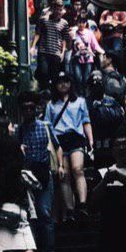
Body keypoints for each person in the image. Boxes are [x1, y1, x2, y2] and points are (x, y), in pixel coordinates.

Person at [18, 91, 60, 252]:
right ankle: (33, 251)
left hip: (43, 173)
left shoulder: (46, 126)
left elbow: (56, 146)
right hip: (27, 176)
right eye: (25, 108)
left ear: (36, 109)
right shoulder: (19, 131)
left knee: (44, 211)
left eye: (31, 108)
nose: (28, 111)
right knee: (30, 214)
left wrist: (60, 165)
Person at [45, 72, 94, 219]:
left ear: (70, 83)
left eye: (66, 81)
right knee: (64, 175)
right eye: (60, 82)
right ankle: (70, 209)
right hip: (59, 140)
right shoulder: (51, 105)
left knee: (78, 169)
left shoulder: (79, 101)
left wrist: (90, 140)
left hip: (76, 137)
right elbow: (48, 126)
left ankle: (83, 204)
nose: (63, 84)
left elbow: (86, 121)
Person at [34, 0, 71, 87]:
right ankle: (44, 93)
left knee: (54, 77)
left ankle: (52, 96)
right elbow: (38, 33)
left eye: (60, 10)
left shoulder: (64, 23)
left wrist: (63, 52)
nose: (59, 12)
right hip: (44, 51)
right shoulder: (44, 20)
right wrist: (33, 46)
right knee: (43, 73)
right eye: (57, 9)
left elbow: (65, 38)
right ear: (53, 9)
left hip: (56, 53)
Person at [68, 3, 103, 93]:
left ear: (85, 23)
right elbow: (72, 43)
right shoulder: (73, 31)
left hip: (88, 58)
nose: (81, 24)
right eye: (79, 22)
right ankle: (79, 92)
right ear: (77, 22)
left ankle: (86, 93)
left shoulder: (89, 32)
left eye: (83, 22)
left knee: (86, 78)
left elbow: (95, 44)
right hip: (77, 57)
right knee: (78, 77)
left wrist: (101, 51)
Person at [88, 74, 126, 145]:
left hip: (111, 133)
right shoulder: (86, 103)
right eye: (94, 83)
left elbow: (120, 115)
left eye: (99, 82)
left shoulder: (111, 100)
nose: (96, 86)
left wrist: (104, 107)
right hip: (96, 136)